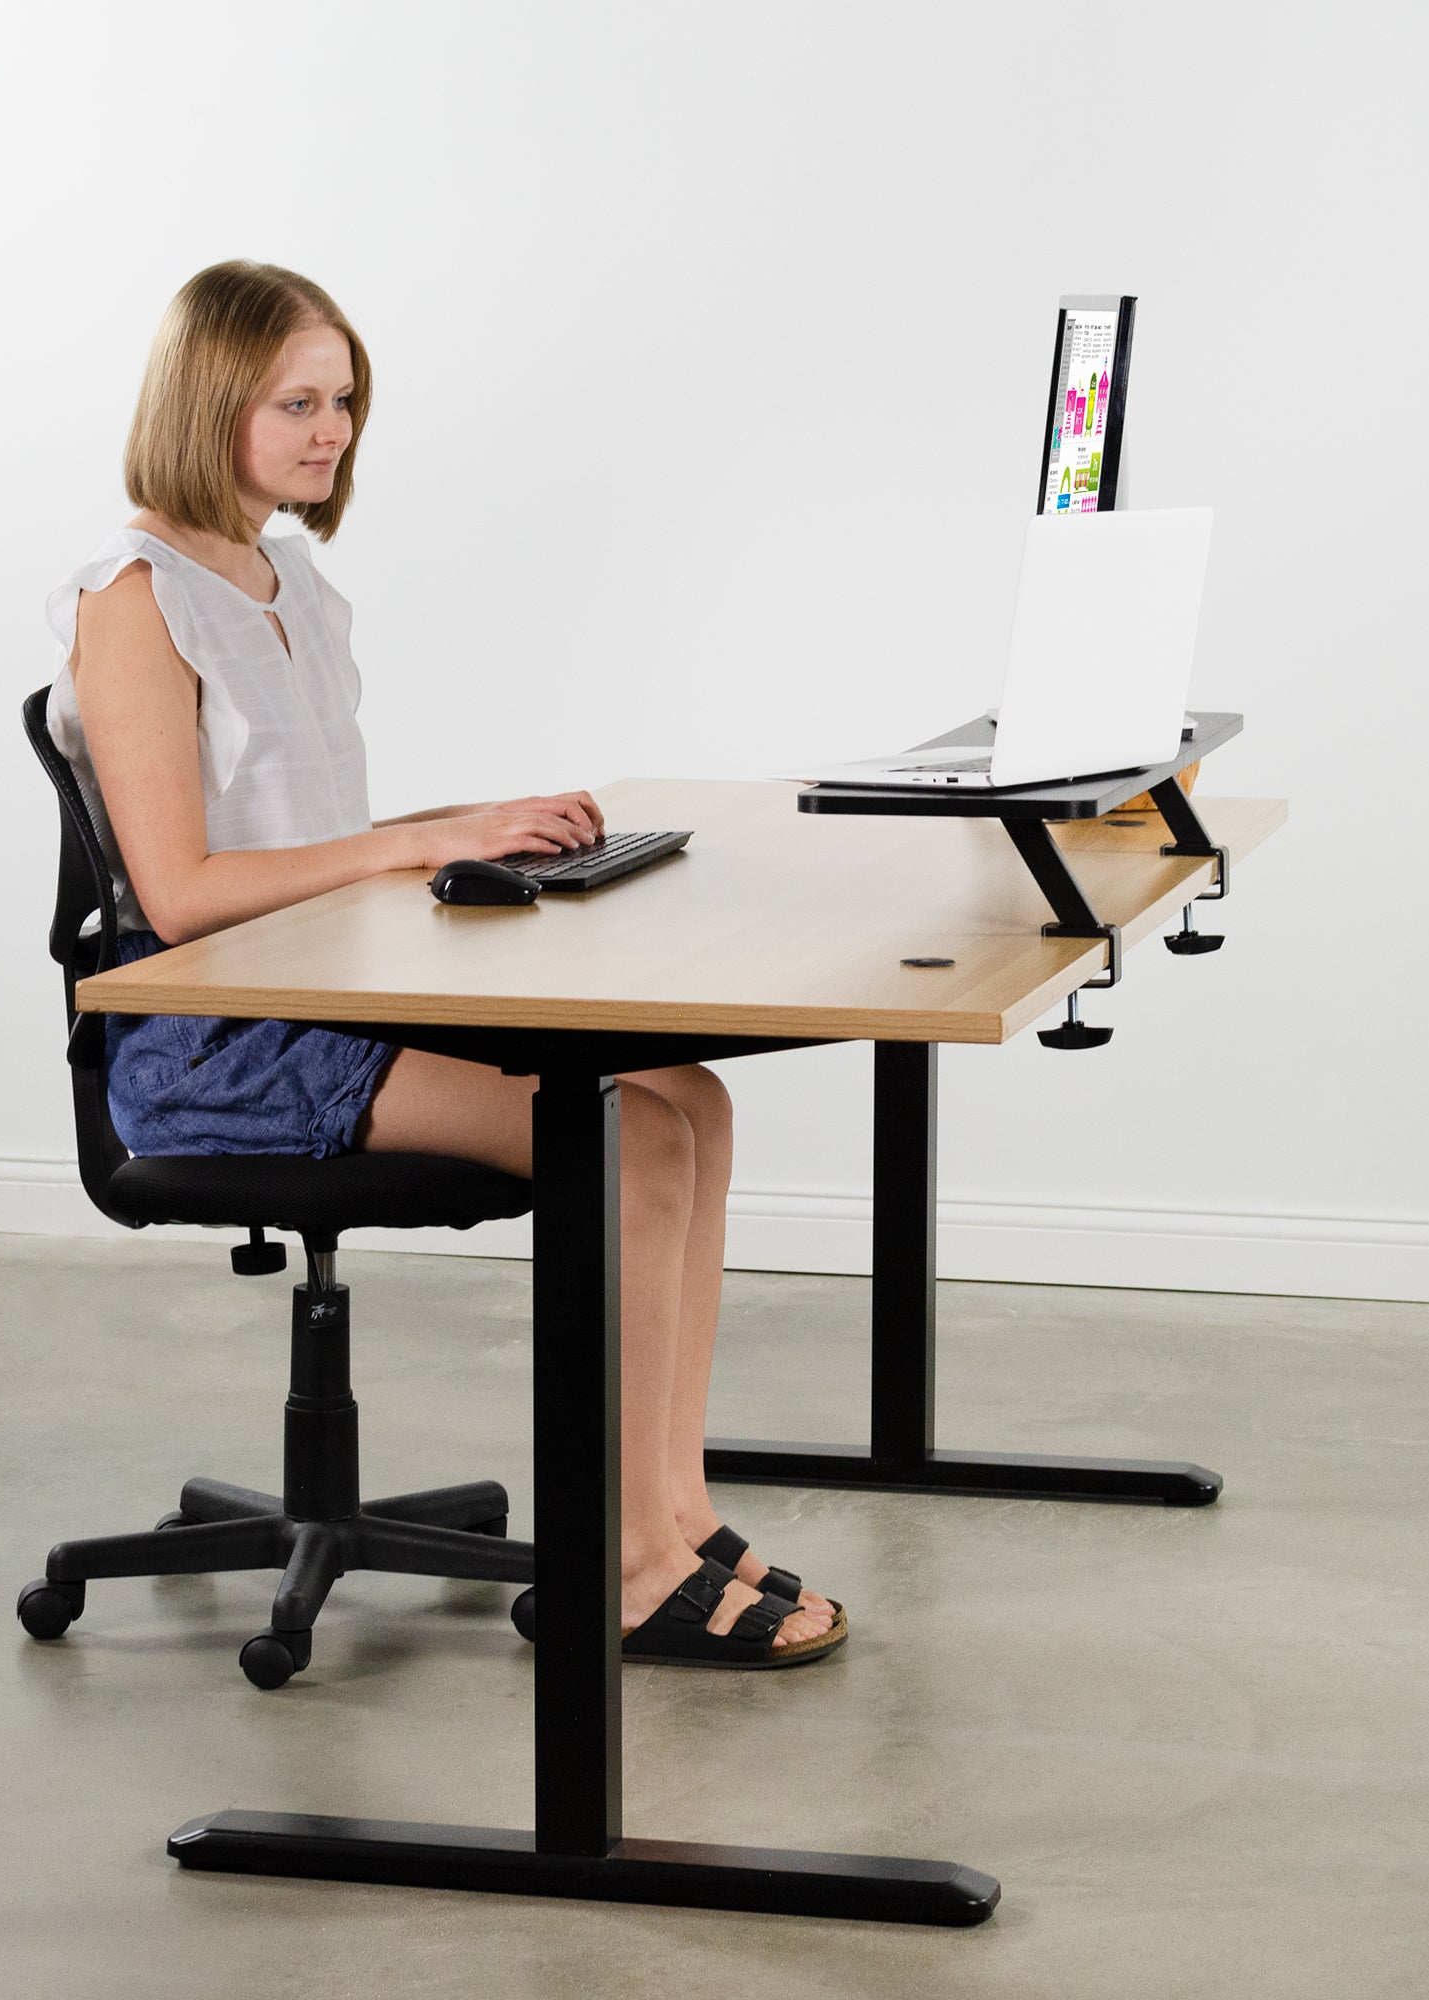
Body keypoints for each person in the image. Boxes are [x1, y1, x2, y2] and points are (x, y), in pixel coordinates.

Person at [46, 261, 843, 1668]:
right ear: (207, 400)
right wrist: (417, 845)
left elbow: (309, 840)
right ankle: (628, 1568)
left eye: (343, 399)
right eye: (295, 401)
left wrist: (470, 832)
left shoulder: (287, 575)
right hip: (218, 1037)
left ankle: (674, 1515)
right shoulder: (134, 597)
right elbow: (180, 895)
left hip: (326, 990)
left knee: (690, 1099)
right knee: (629, 1143)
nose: (330, 429)